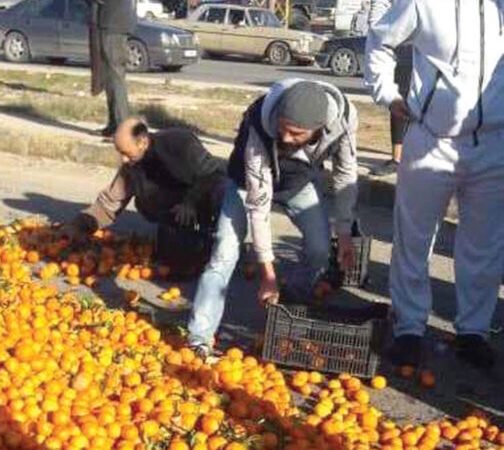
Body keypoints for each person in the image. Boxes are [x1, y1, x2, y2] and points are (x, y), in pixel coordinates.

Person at [365, 0, 504, 369]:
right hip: (431, 137)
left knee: (484, 246)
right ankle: (409, 327)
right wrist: (387, 93)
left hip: (493, 142)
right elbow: (380, 39)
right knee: (414, 237)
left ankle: (473, 332)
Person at [187, 79, 359, 358]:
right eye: (283, 128)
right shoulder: (260, 123)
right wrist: (267, 273)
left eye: (296, 133)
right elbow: (259, 204)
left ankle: (289, 301)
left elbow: (345, 175)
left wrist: (344, 231)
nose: (287, 138)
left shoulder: (345, 119)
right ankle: (199, 337)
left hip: (299, 183)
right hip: (246, 185)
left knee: (320, 249)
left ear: (319, 127)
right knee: (223, 253)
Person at [65, 118, 225, 243]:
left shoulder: (179, 142)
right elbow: (109, 203)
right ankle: (181, 234)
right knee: (146, 202)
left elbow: (212, 173)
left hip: (204, 193)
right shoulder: (132, 165)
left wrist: (191, 202)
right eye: (120, 153)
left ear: (142, 142)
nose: (123, 159)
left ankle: (222, 238)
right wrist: (79, 225)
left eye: (126, 153)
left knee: (222, 190)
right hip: (177, 206)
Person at [366, 0, 413, 177]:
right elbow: (377, 17)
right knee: (398, 102)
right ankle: (397, 158)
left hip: (427, 46)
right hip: (401, 45)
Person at [87, 0, 136, 138]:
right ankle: (114, 125)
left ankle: (123, 129)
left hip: (113, 23)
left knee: (115, 76)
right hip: (113, 21)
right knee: (109, 77)